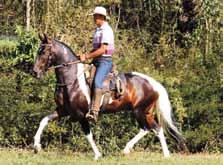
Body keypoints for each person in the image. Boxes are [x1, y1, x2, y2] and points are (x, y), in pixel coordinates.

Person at [80, 6, 115, 122]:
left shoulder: (106, 30)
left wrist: (87, 56)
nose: (94, 18)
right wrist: (83, 55)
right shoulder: (98, 30)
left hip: (105, 61)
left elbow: (102, 50)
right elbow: (95, 49)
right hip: (96, 60)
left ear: (101, 17)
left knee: (97, 82)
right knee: (85, 79)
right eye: (94, 16)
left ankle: (95, 112)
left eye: (95, 16)